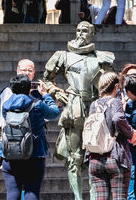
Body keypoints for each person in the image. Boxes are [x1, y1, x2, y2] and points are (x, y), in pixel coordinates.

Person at [43, 21, 115, 200]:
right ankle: (77, 197)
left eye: (85, 31)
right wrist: (56, 91)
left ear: (92, 34)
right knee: (74, 158)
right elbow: (46, 79)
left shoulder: (102, 58)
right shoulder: (63, 56)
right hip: (74, 107)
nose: (81, 33)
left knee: (96, 155)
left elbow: (112, 83)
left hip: (95, 109)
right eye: (78, 30)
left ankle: (93, 196)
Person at [85, 72, 136, 200]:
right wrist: (131, 134)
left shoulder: (94, 104)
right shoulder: (115, 102)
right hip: (114, 157)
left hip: (95, 158)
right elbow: (117, 118)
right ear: (115, 87)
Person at [0, 74, 60, 200]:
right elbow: (54, 113)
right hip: (34, 155)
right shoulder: (37, 104)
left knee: (12, 194)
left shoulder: (6, 106)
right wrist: (45, 95)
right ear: (29, 88)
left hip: (10, 154)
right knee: (31, 193)